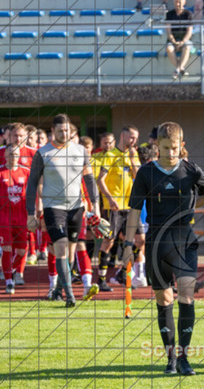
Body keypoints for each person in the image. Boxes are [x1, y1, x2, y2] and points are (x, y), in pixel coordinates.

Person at [122, 121, 204, 376]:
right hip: (156, 241)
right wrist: (128, 244)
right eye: (165, 148)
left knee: (186, 294)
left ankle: (184, 358)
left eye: (175, 148)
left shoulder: (191, 170)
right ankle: (171, 358)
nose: (170, 153)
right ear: (157, 146)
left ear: (181, 145)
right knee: (164, 299)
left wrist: (192, 205)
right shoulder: (146, 173)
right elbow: (134, 210)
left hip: (184, 239)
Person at [26, 114, 101, 307]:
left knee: (70, 253)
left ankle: (58, 290)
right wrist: (30, 214)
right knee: (60, 248)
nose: (64, 134)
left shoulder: (81, 151)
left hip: (76, 208)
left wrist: (96, 205)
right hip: (53, 207)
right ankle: (70, 296)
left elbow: (90, 180)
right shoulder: (43, 153)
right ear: (53, 131)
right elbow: (32, 185)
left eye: (67, 130)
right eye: (60, 131)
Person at [96, 125, 141, 292]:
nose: (134, 141)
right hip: (113, 207)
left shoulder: (133, 154)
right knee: (108, 242)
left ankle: (123, 272)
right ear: (123, 136)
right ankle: (101, 279)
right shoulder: (110, 155)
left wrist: (132, 160)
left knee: (140, 241)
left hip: (129, 206)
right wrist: (109, 198)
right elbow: (100, 180)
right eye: (132, 137)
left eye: (136, 138)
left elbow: (137, 177)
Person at [0, 144, 30, 294]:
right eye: (11, 154)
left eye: (17, 154)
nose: (14, 157)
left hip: (21, 216)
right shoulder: (1, 172)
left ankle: (10, 270)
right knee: (7, 248)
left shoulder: (26, 172)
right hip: (4, 217)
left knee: (22, 250)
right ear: (5, 155)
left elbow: (33, 193)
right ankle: (9, 282)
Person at [166, 0, 194, 80]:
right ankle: (181, 69)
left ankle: (177, 70)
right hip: (173, 39)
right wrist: (174, 42)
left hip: (185, 39)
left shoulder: (188, 14)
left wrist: (182, 42)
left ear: (184, 2)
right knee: (169, 48)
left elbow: (189, 32)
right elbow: (168, 31)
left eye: (180, 2)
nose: (178, 4)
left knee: (187, 47)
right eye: (176, 2)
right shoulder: (169, 14)